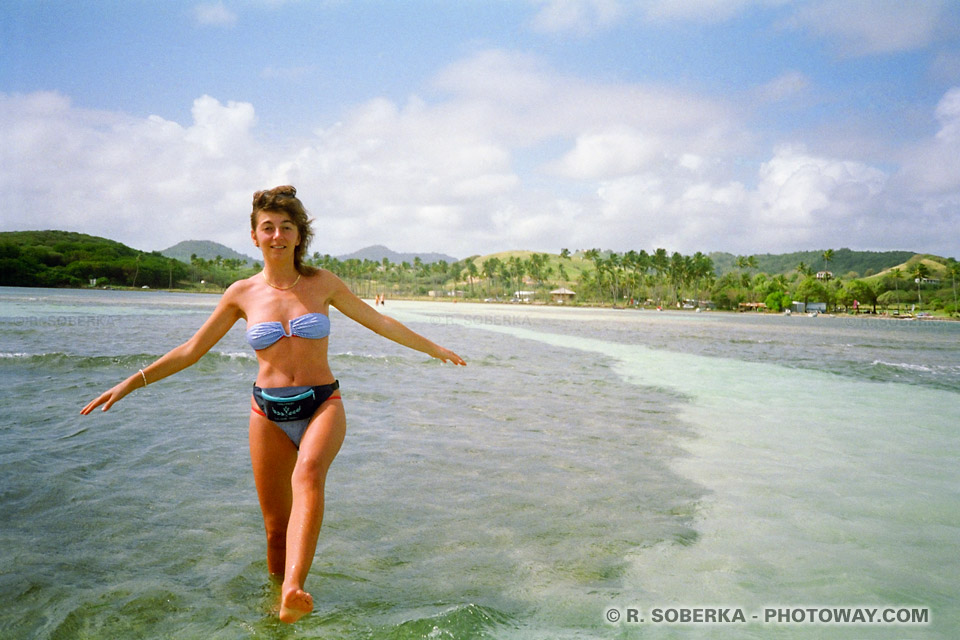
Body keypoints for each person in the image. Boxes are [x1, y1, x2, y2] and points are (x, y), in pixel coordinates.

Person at [80, 185, 466, 623]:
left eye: (287, 227)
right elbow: (191, 350)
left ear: (300, 235)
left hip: (322, 402)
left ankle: (294, 586)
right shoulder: (241, 293)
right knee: (274, 530)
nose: (277, 235)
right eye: (268, 228)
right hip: (267, 410)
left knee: (309, 473)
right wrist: (131, 383)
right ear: (254, 236)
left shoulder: (323, 284)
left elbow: (378, 321)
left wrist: (434, 348)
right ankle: (276, 607)